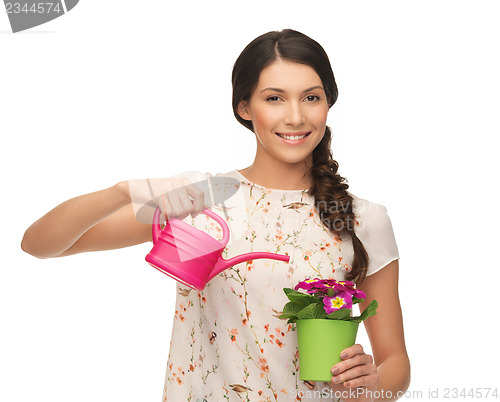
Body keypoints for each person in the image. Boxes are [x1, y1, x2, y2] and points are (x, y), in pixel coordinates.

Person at [21, 29, 410, 401]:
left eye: (311, 98)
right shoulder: (202, 200)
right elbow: (41, 245)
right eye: (274, 98)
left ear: (328, 103)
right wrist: (122, 191)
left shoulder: (362, 218)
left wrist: (368, 388)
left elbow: (395, 363)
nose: (295, 117)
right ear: (245, 107)